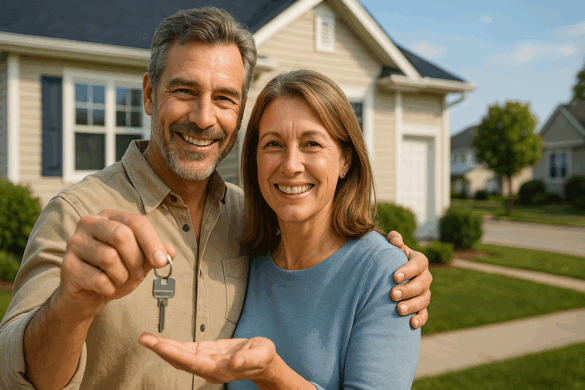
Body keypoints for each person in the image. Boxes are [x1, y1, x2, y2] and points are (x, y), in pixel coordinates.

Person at [0, 8, 431, 390]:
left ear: (239, 112)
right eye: (185, 91)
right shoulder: (79, 215)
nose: (204, 118)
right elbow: (13, 373)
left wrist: (399, 265)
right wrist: (71, 306)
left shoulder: (248, 221)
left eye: (224, 98)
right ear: (150, 95)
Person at [139, 70, 420, 389]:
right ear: (255, 159)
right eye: (273, 144)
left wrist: (271, 373)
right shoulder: (246, 257)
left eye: (311, 143)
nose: (290, 165)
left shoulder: (385, 274)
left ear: (345, 160)